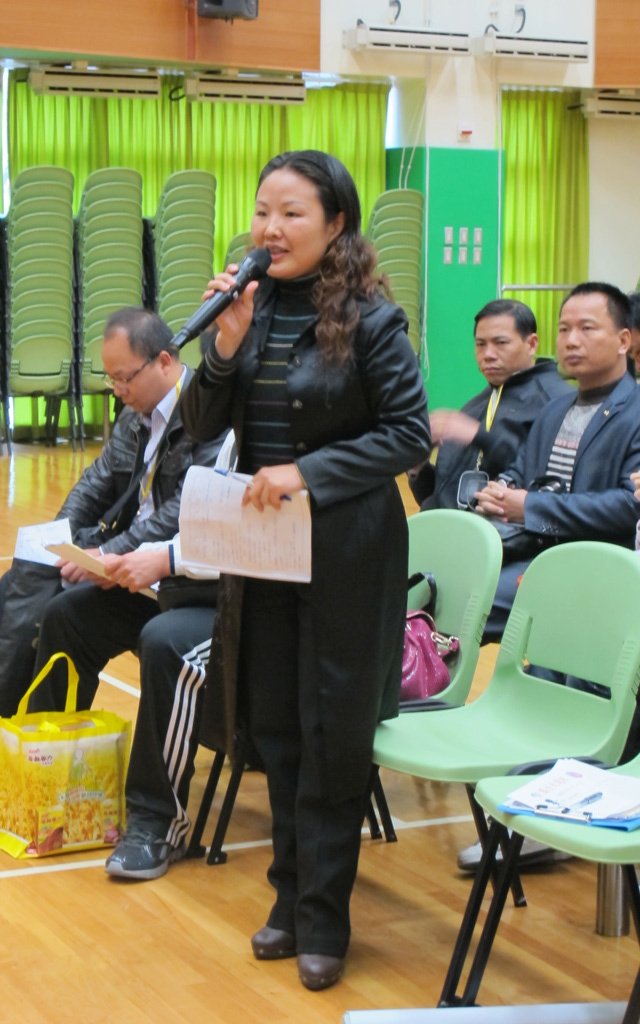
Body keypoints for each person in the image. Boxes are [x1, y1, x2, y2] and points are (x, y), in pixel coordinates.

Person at [180, 150, 432, 991]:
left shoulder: (373, 321)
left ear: (336, 224)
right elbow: (198, 427)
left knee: (333, 735)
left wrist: (308, 473)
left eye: (292, 212)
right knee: (278, 727)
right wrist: (224, 346)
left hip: (347, 553)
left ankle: (326, 917)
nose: (271, 228)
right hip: (263, 554)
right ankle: (288, 900)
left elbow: (408, 434)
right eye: (263, 211)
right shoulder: (246, 309)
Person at [0, 306, 222, 789]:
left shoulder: (205, 416)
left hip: (168, 573)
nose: (117, 389)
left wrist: (111, 553)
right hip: (124, 560)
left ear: (165, 361)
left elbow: (183, 511)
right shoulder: (135, 414)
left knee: (56, 607)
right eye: (110, 379)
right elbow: (96, 482)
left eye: (124, 377)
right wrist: (59, 538)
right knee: (23, 577)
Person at [475, 282, 640, 643]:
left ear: (623, 341)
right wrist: (501, 490)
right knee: (439, 584)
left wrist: (530, 507)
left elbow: (630, 505)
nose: (571, 340)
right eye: (564, 329)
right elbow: (521, 470)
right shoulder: (555, 410)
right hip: (531, 552)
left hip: (594, 568)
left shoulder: (635, 411)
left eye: (586, 328)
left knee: (466, 600)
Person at [408, 298, 572, 509]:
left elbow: (549, 488)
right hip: (444, 526)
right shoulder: (475, 406)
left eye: (501, 343)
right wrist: (418, 468)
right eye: (480, 344)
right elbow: (440, 497)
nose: (488, 355)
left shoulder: (557, 403)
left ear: (531, 344)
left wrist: (479, 435)